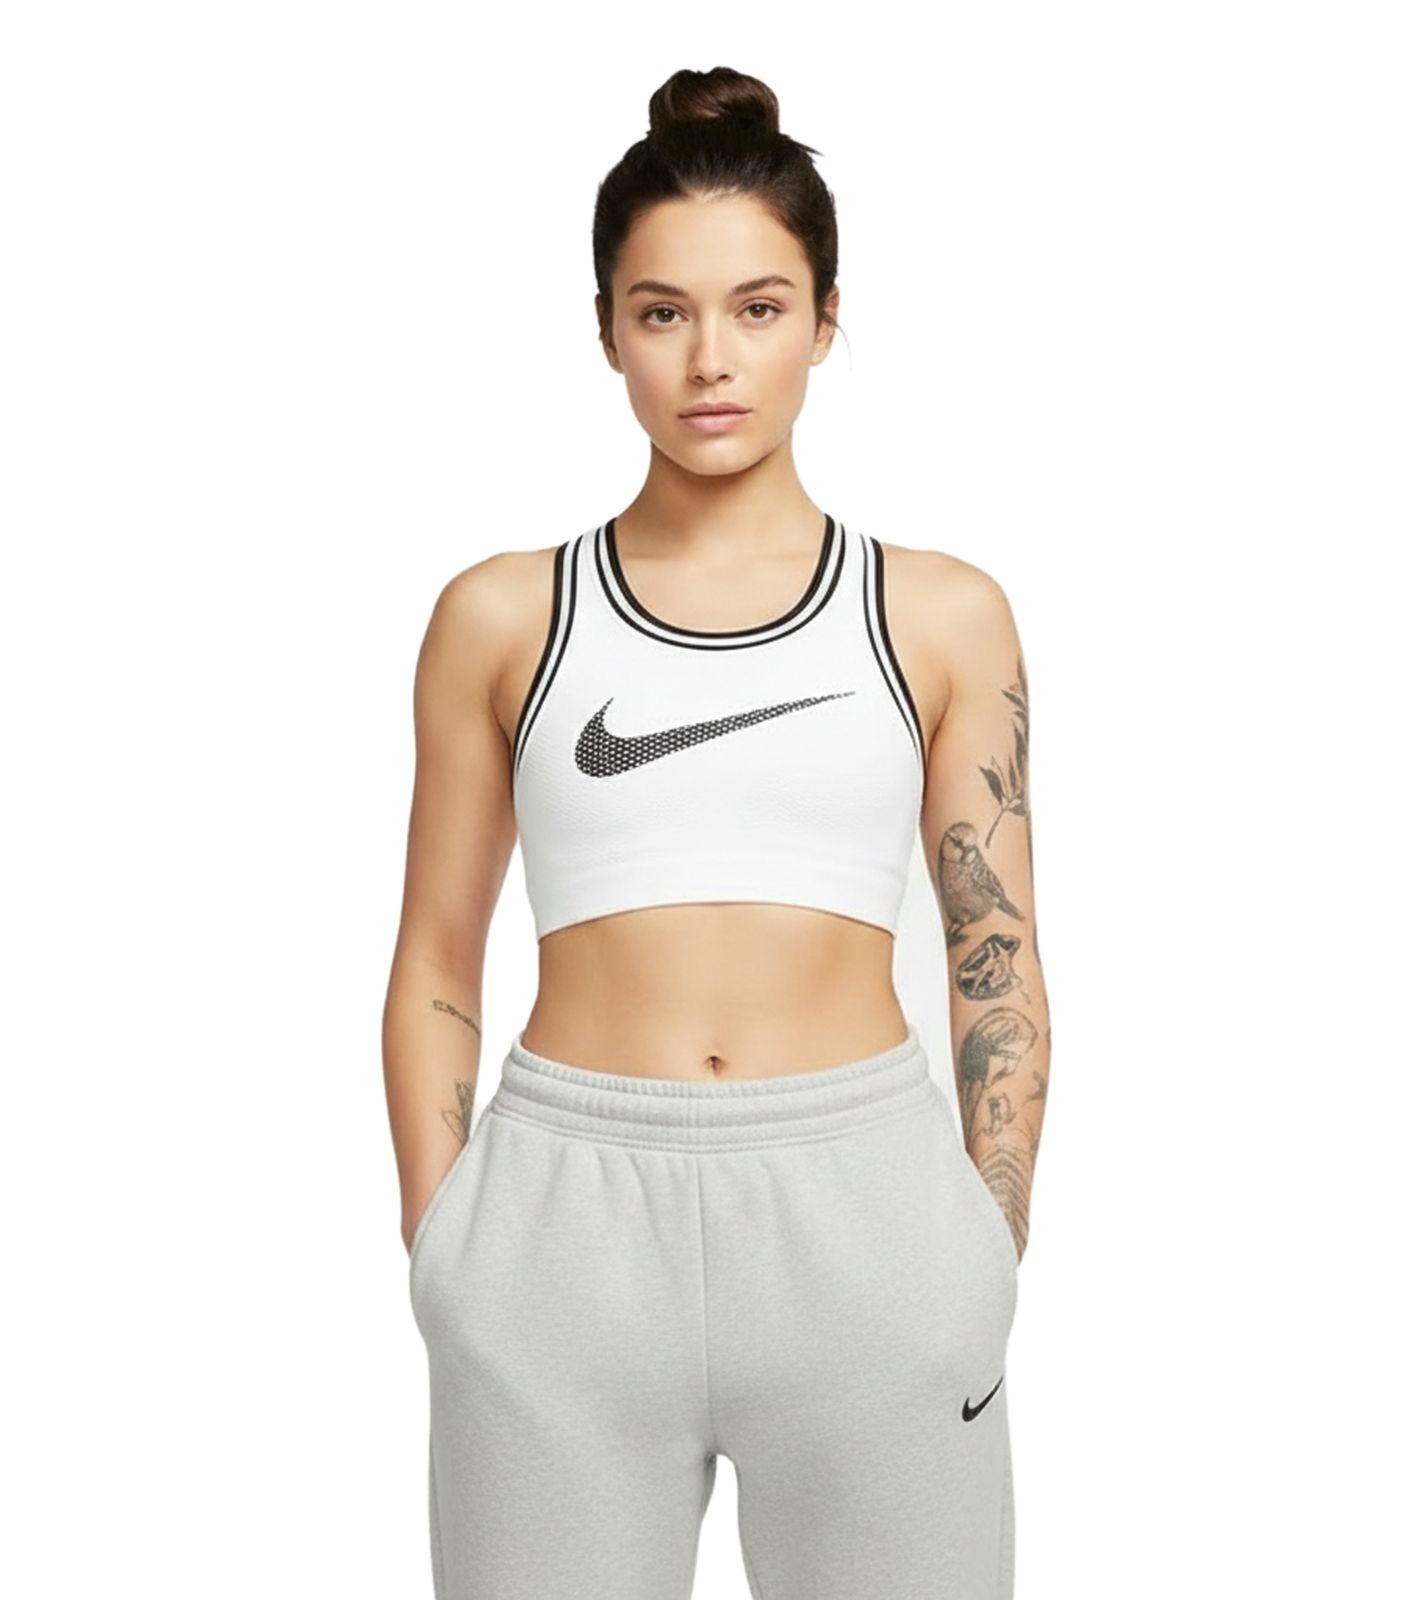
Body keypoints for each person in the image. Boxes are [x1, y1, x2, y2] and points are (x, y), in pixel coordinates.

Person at [383, 63, 1050, 1600]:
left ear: (824, 320)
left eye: (757, 308)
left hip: (872, 1231)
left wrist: (983, 1249)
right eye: (660, 311)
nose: (708, 359)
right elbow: (433, 956)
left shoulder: (937, 614)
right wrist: (448, 1254)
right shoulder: (503, 616)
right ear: (605, 330)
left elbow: (996, 955)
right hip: (558, 1239)